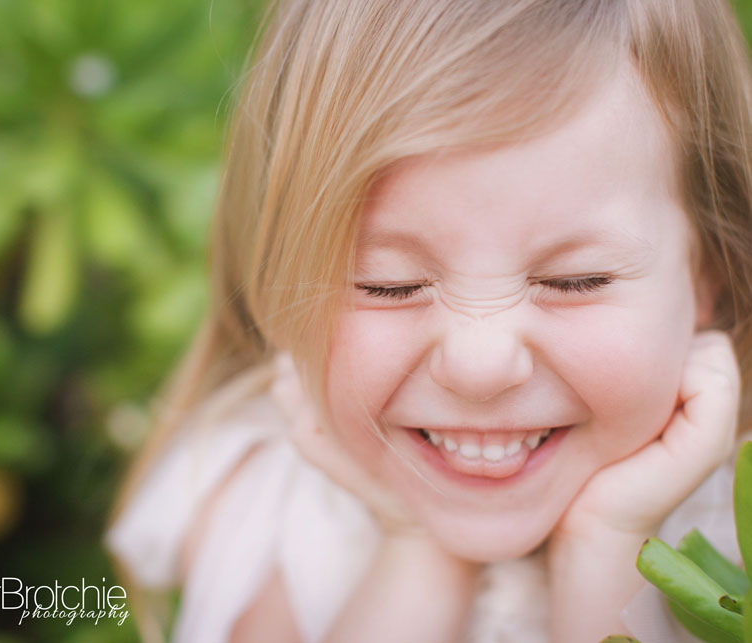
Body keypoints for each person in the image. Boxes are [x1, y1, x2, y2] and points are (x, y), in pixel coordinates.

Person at [105, 0, 752, 641]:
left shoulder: (734, 532)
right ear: (278, 283)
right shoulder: (267, 513)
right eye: (389, 285)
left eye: (572, 281)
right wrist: (416, 549)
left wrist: (611, 545)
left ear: (709, 273)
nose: (480, 365)